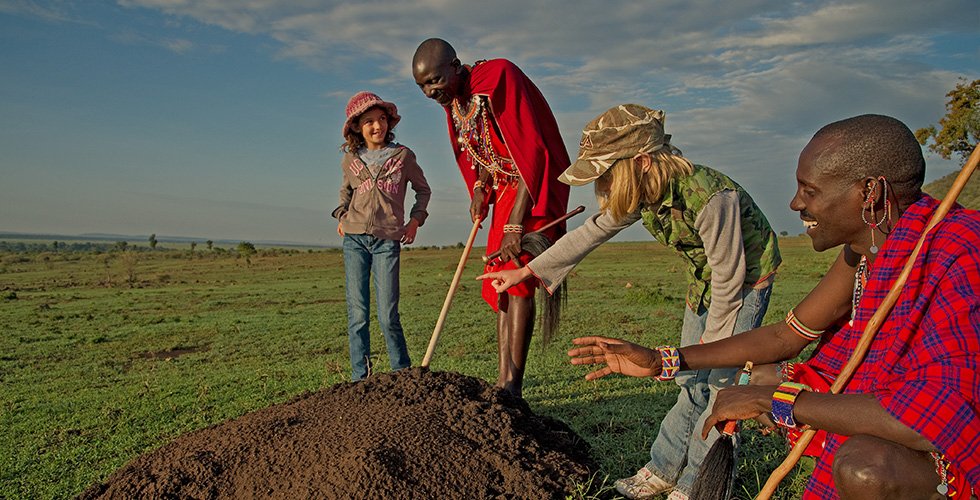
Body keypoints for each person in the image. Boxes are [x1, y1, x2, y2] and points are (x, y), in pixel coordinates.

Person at [568, 114, 979, 499]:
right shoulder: (865, 251)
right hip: (901, 407)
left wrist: (776, 402)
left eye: (810, 191)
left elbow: (934, 420)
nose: (795, 204)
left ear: (869, 192)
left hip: (953, 443)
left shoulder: (957, 253)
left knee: (864, 468)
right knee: (766, 372)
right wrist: (664, 361)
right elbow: (786, 335)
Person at [479, 104, 781, 500]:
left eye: (606, 174)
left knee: (719, 383)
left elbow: (729, 277)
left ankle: (699, 485)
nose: (601, 186)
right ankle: (665, 468)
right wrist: (527, 272)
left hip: (744, 282)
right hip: (704, 279)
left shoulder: (711, 197)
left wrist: (707, 349)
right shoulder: (645, 188)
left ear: (640, 161)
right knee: (689, 381)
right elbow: (592, 231)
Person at [412, 38, 571, 398]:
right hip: (504, 189)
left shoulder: (498, 76)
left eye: (434, 80)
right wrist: (481, 188)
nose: (429, 91)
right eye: (422, 86)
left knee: (518, 281)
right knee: (500, 283)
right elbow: (485, 148)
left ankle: (513, 387)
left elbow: (530, 149)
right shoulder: (455, 101)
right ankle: (502, 382)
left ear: (455, 66)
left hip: (531, 187)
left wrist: (516, 224)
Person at [332, 91, 431, 381]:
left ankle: (402, 375)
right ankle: (359, 378)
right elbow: (345, 192)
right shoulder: (351, 159)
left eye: (382, 119)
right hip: (354, 241)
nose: (377, 126)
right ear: (357, 128)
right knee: (358, 314)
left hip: (387, 241)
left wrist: (415, 221)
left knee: (388, 315)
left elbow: (423, 190)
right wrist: (342, 216)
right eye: (369, 122)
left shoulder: (403, 156)